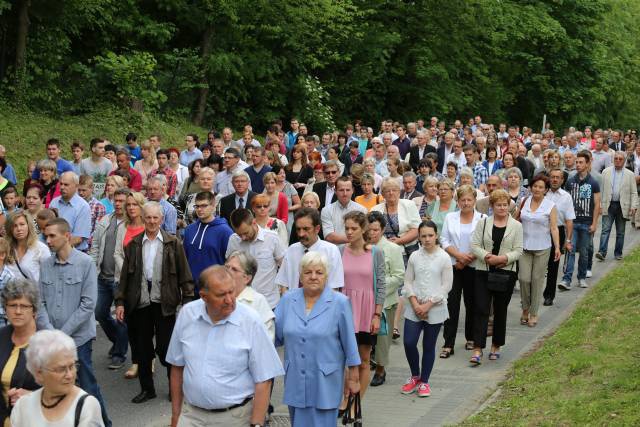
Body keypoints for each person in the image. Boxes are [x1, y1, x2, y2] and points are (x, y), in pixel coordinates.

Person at [165, 265, 282, 427]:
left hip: (235, 418)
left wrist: (257, 424)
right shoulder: (187, 315)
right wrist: (176, 416)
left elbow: (264, 379)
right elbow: (177, 367)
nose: (229, 300)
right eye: (221, 295)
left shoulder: (251, 321)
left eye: (231, 292)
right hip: (191, 416)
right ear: (204, 296)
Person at [115, 202, 195, 404]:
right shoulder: (133, 243)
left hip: (164, 303)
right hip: (139, 303)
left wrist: (187, 300)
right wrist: (121, 302)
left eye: (155, 218)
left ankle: (174, 388)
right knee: (142, 350)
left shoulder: (173, 243)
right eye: (148, 217)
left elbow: (185, 273)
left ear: (161, 219)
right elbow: (125, 276)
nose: (151, 221)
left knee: (166, 349)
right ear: (143, 218)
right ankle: (147, 389)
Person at [36, 218, 110, 426]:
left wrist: (62, 334)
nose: (47, 240)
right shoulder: (45, 265)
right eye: (45, 236)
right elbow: (39, 302)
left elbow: (88, 305)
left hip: (78, 340)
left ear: (66, 236)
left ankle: (104, 423)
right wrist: (52, 334)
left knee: (88, 386)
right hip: (51, 340)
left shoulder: (85, 263)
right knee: (55, 387)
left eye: (52, 236)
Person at [274, 252, 360, 426]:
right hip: (296, 379)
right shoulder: (288, 300)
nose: (313, 277)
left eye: (319, 272)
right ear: (300, 276)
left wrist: (353, 378)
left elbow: (349, 343)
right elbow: (274, 336)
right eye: (308, 272)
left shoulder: (339, 302)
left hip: (325, 380)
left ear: (326, 276)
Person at [470, 189, 523, 365]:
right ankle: (478, 348)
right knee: (481, 308)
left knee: (500, 310)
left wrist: (503, 258)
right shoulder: (483, 223)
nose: (502, 208)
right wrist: (486, 256)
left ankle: (496, 345)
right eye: (498, 205)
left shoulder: (516, 226)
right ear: (492, 206)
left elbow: (519, 250)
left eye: (505, 205)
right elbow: (474, 245)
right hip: (483, 270)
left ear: (509, 206)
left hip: (505, 272)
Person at [401, 220, 452, 397]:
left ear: (436, 235)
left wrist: (428, 304)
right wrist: (415, 303)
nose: (427, 239)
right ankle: (415, 375)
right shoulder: (415, 256)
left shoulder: (444, 257)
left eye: (430, 235)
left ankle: (425, 381)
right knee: (408, 342)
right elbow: (408, 281)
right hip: (414, 307)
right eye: (423, 236)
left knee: (428, 346)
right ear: (419, 237)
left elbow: (446, 286)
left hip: (434, 308)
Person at [338, 211, 385, 405]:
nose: (349, 232)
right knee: (343, 360)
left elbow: (381, 284)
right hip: (345, 310)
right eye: (347, 228)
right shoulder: (340, 251)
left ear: (363, 229)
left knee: (364, 359)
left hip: (366, 311)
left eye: (353, 228)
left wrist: (376, 314)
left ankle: (356, 404)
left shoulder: (375, 252)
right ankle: (344, 398)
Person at [10, 330, 104, 427]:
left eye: (72, 366)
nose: (69, 375)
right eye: (61, 369)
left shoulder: (87, 406)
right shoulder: (23, 406)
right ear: (39, 373)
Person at [439, 185, 485, 358]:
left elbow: (483, 242)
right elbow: (444, 239)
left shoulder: (482, 218)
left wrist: (468, 259)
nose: (466, 203)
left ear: (474, 201)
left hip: (474, 266)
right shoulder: (450, 217)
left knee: (472, 303)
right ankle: (448, 343)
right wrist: (458, 256)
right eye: (462, 200)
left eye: (469, 200)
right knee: (451, 304)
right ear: (457, 201)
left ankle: (471, 338)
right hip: (454, 266)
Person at [88, 187, 130, 370]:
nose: (118, 204)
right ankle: (118, 341)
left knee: (121, 318)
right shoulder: (105, 220)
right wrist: (91, 266)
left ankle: (119, 353)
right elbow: (96, 245)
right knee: (99, 313)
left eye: (122, 201)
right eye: (116, 200)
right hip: (102, 276)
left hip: (120, 279)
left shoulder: (132, 224)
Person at [516, 175, 561, 327]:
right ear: (531, 187)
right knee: (523, 278)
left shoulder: (550, 205)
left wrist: (557, 247)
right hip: (524, 246)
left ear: (546, 190)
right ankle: (525, 308)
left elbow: (554, 227)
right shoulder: (523, 202)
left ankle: (533, 313)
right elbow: (516, 221)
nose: (537, 189)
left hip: (543, 247)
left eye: (541, 187)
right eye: (535, 186)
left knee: (536, 280)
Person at [366, 211, 404, 387]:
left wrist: (378, 286)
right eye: (369, 229)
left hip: (386, 301)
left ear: (382, 230)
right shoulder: (361, 248)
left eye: (375, 230)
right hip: (364, 301)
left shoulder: (393, 249)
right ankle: (365, 365)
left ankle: (381, 369)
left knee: (382, 338)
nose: (372, 233)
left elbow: (398, 276)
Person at [0, 279, 40, 426]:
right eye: (12, 305)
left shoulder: (49, 342)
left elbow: (69, 389)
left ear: (34, 310)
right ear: (5, 308)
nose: (17, 311)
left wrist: (34, 397)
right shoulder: (2, 336)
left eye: (24, 306)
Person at [559, 151, 601, 290]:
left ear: (588, 164)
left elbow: (596, 205)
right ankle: (566, 279)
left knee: (583, 252)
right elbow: (566, 201)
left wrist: (594, 223)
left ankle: (582, 277)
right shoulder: (570, 181)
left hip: (587, 222)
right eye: (577, 162)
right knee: (570, 250)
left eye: (581, 162)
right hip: (573, 222)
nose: (578, 164)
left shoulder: (593, 182)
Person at [226, 209, 284, 309]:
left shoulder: (272, 238)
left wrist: (284, 293)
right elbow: (228, 270)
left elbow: (284, 267)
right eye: (239, 234)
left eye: (245, 233)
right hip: (242, 305)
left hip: (269, 304)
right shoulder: (233, 240)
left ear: (253, 222)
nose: (243, 238)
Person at [276, 208, 344, 292]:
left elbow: (334, 287)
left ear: (317, 229)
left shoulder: (331, 251)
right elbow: (284, 284)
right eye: (298, 229)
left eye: (306, 229)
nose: (301, 234)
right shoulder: (291, 250)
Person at [183, 192, 233, 294]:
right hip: (191, 289)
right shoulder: (189, 230)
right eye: (197, 206)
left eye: (204, 206)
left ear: (213, 207)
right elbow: (184, 258)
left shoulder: (225, 231)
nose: (200, 209)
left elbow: (230, 262)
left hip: (215, 288)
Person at [596, 151, 637, 261]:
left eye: (620, 159)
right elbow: (601, 189)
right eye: (616, 158)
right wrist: (600, 204)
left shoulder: (630, 174)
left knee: (620, 231)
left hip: (622, 206)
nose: (618, 161)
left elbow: (634, 192)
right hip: (609, 204)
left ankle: (618, 253)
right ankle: (602, 252)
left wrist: (633, 206)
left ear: (624, 161)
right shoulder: (606, 172)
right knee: (605, 229)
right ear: (613, 160)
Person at [225, 251, 275, 341]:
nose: (228, 272)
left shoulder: (258, 300)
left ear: (247, 278)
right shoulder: (215, 295)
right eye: (227, 267)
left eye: (234, 269)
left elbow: (267, 339)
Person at [543, 168, 575, 306]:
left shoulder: (566, 197)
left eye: (558, 177)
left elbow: (569, 220)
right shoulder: (543, 194)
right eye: (552, 177)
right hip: (542, 230)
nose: (555, 180)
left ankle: (549, 295)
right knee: (538, 265)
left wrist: (568, 240)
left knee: (553, 265)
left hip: (559, 231)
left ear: (562, 180)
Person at [48, 172, 92, 252]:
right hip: (54, 251)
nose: (62, 187)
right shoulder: (54, 202)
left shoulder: (83, 207)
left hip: (75, 254)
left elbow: (78, 238)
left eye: (66, 185)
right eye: (61, 184)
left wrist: (57, 247)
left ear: (76, 186)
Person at [5, 211, 51, 282]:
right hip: (9, 292)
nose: (19, 229)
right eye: (14, 226)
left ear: (29, 226)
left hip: (33, 292)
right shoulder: (6, 248)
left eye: (22, 224)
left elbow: (49, 277)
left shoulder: (41, 249)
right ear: (10, 229)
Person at [321, 177, 367, 244]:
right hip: (335, 252)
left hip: (356, 251)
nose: (345, 194)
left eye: (348, 190)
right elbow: (329, 237)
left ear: (352, 190)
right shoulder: (327, 210)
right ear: (335, 191)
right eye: (341, 190)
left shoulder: (361, 210)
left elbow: (365, 234)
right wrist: (355, 238)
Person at [77, 175, 106, 250]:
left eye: (84, 190)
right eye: (79, 190)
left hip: (89, 247)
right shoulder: (74, 204)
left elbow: (97, 230)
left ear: (91, 189)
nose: (81, 193)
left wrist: (83, 242)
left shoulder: (98, 206)